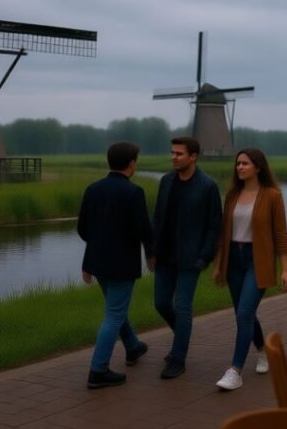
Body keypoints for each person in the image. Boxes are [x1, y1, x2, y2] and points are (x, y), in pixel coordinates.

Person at [211, 147, 287, 391]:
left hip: (257, 260)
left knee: (244, 314)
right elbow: (223, 234)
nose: (240, 167)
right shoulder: (232, 195)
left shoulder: (272, 196)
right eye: (238, 163)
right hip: (233, 260)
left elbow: (281, 234)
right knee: (243, 313)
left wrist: (285, 269)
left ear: (258, 167)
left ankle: (235, 371)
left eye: (245, 163)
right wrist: (219, 265)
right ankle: (263, 351)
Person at [78, 141, 155, 389]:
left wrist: (93, 255)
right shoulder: (134, 192)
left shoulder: (92, 189)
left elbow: (83, 228)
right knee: (113, 315)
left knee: (115, 308)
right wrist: (150, 254)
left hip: (98, 262)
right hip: (122, 263)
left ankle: (133, 346)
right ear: (131, 164)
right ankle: (98, 370)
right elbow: (144, 228)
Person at [151, 136, 222, 379]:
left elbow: (214, 226)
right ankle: (182, 335)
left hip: (191, 258)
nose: (173, 157)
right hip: (165, 256)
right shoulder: (166, 181)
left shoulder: (208, 186)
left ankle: (178, 359)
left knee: (183, 307)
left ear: (193, 157)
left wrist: (205, 257)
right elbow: (158, 217)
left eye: (179, 153)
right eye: (172, 152)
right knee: (161, 303)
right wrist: (151, 251)